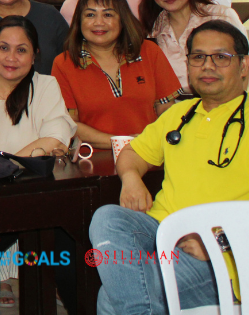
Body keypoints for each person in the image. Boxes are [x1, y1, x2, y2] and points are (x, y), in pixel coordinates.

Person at [89, 20, 249, 314]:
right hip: (162, 234)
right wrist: (130, 178)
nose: (207, 66)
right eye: (198, 57)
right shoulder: (179, 113)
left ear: (244, 66)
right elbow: (132, 153)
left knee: (112, 297)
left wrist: (220, 243)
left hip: (222, 259)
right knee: (108, 217)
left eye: (221, 57)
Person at [0, 16, 76, 315]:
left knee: (67, 262)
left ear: (35, 54)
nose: (12, 58)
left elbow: (56, 138)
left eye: (22, 50)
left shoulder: (46, 86)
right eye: (4, 48)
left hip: (43, 200)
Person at [52, 0, 179, 149]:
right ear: (79, 21)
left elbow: (166, 108)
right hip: (93, 160)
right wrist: (123, 143)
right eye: (90, 15)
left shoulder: (149, 51)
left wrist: (150, 141)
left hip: (150, 153)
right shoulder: (64, 63)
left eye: (108, 14)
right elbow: (69, 123)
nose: (99, 22)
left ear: (122, 19)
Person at [139, 0, 246, 96]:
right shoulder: (152, 30)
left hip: (221, 104)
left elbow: (246, 63)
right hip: (173, 110)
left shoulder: (221, 16)